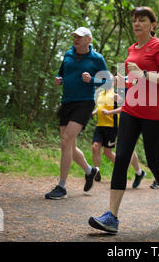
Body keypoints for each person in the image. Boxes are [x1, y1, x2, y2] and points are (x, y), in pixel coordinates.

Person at [89, 6, 159, 233]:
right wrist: (124, 82)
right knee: (122, 157)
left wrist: (143, 74)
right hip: (130, 110)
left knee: (153, 160)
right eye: (135, 20)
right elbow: (134, 79)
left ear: (152, 25)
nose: (137, 23)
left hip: (154, 114)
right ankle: (112, 217)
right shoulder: (131, 48)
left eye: (142, 20)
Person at [45, 27, 110, 200]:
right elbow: (61, 72)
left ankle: (61, 187)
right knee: (69, 145)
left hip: (84, 102)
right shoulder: (68, 54)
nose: (76, 39)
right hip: (67, 101)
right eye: (74, 36)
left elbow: (107, 82)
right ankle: (90, 171)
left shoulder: (97, 59)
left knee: (66, 140)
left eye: (79, 37)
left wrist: (93, 80)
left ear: (88, 39)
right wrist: (58, 79)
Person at [90, 76, 146, 187]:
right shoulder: (105, 93)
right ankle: (98, 171)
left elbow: (125, 106)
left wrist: (110, 113)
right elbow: (103, 106)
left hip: (122, 124)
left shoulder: (124, 90)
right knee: (100, 148)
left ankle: (128, 170)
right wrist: (96, 111)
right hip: (108, 124)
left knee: (124, 149)